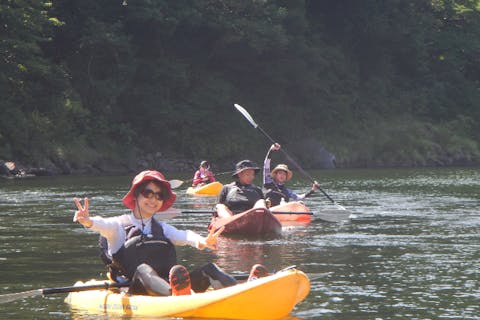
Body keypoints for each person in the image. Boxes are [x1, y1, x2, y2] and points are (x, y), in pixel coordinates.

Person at [73, 170, 240, 296]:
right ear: (136, 196)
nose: (153, 200)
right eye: (148, 194)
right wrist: (87, 221)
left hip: (165, 286)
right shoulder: (118, 226)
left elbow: (184, 235)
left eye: (159, 196)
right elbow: (102, 224)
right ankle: (177, 296)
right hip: (134, 288)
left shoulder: (162, 228)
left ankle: (240, 292)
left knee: (209, 269)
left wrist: (202, 240)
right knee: (144, 269)